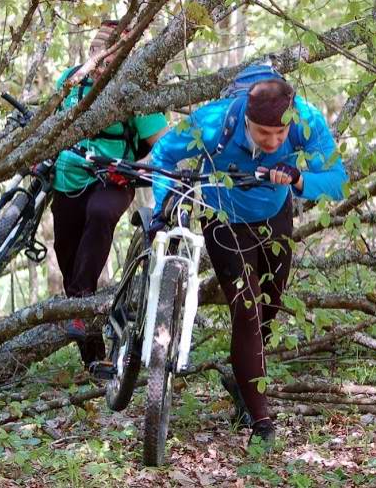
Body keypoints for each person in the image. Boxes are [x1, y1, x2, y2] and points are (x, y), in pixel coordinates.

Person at [147, 64, 348, 449]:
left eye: (280, 134)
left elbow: (337, 179)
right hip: (223, 217)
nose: (273, 142)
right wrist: (164, 204)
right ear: (245, 120)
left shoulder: (305, 120)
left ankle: (240, 381)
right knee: (247, 310)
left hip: (274, 216)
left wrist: (301, 179)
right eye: (263, 133)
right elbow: (162, 157)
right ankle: (263, 423)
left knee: (269, 307)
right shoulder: (212, 123)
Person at [51, 19, 168, 369]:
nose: (102, 68)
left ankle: (81, 308)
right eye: (97, 60)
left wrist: (135, 167)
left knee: (100, 215)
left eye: (110, 62)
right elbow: (51, 126)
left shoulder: (135, 92)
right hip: (68, 177)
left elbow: (162, 148)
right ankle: (93, 357)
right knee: (67, 256)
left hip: (113, 179)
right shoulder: (71, 80)